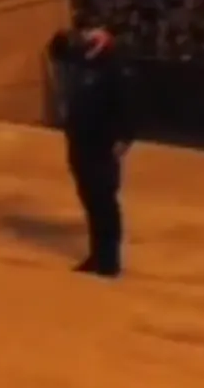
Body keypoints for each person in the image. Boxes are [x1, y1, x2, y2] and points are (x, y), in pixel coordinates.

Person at [49, 24, 133, 278]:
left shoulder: (113, 69)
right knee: (91, 200)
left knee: (104, 201)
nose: (84, 41)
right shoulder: (87, 65)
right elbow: (58, 51)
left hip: (101, 144)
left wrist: (124, 137)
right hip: (81, 142)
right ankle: (97, 255)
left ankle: (109, 261)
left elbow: (128, 106)